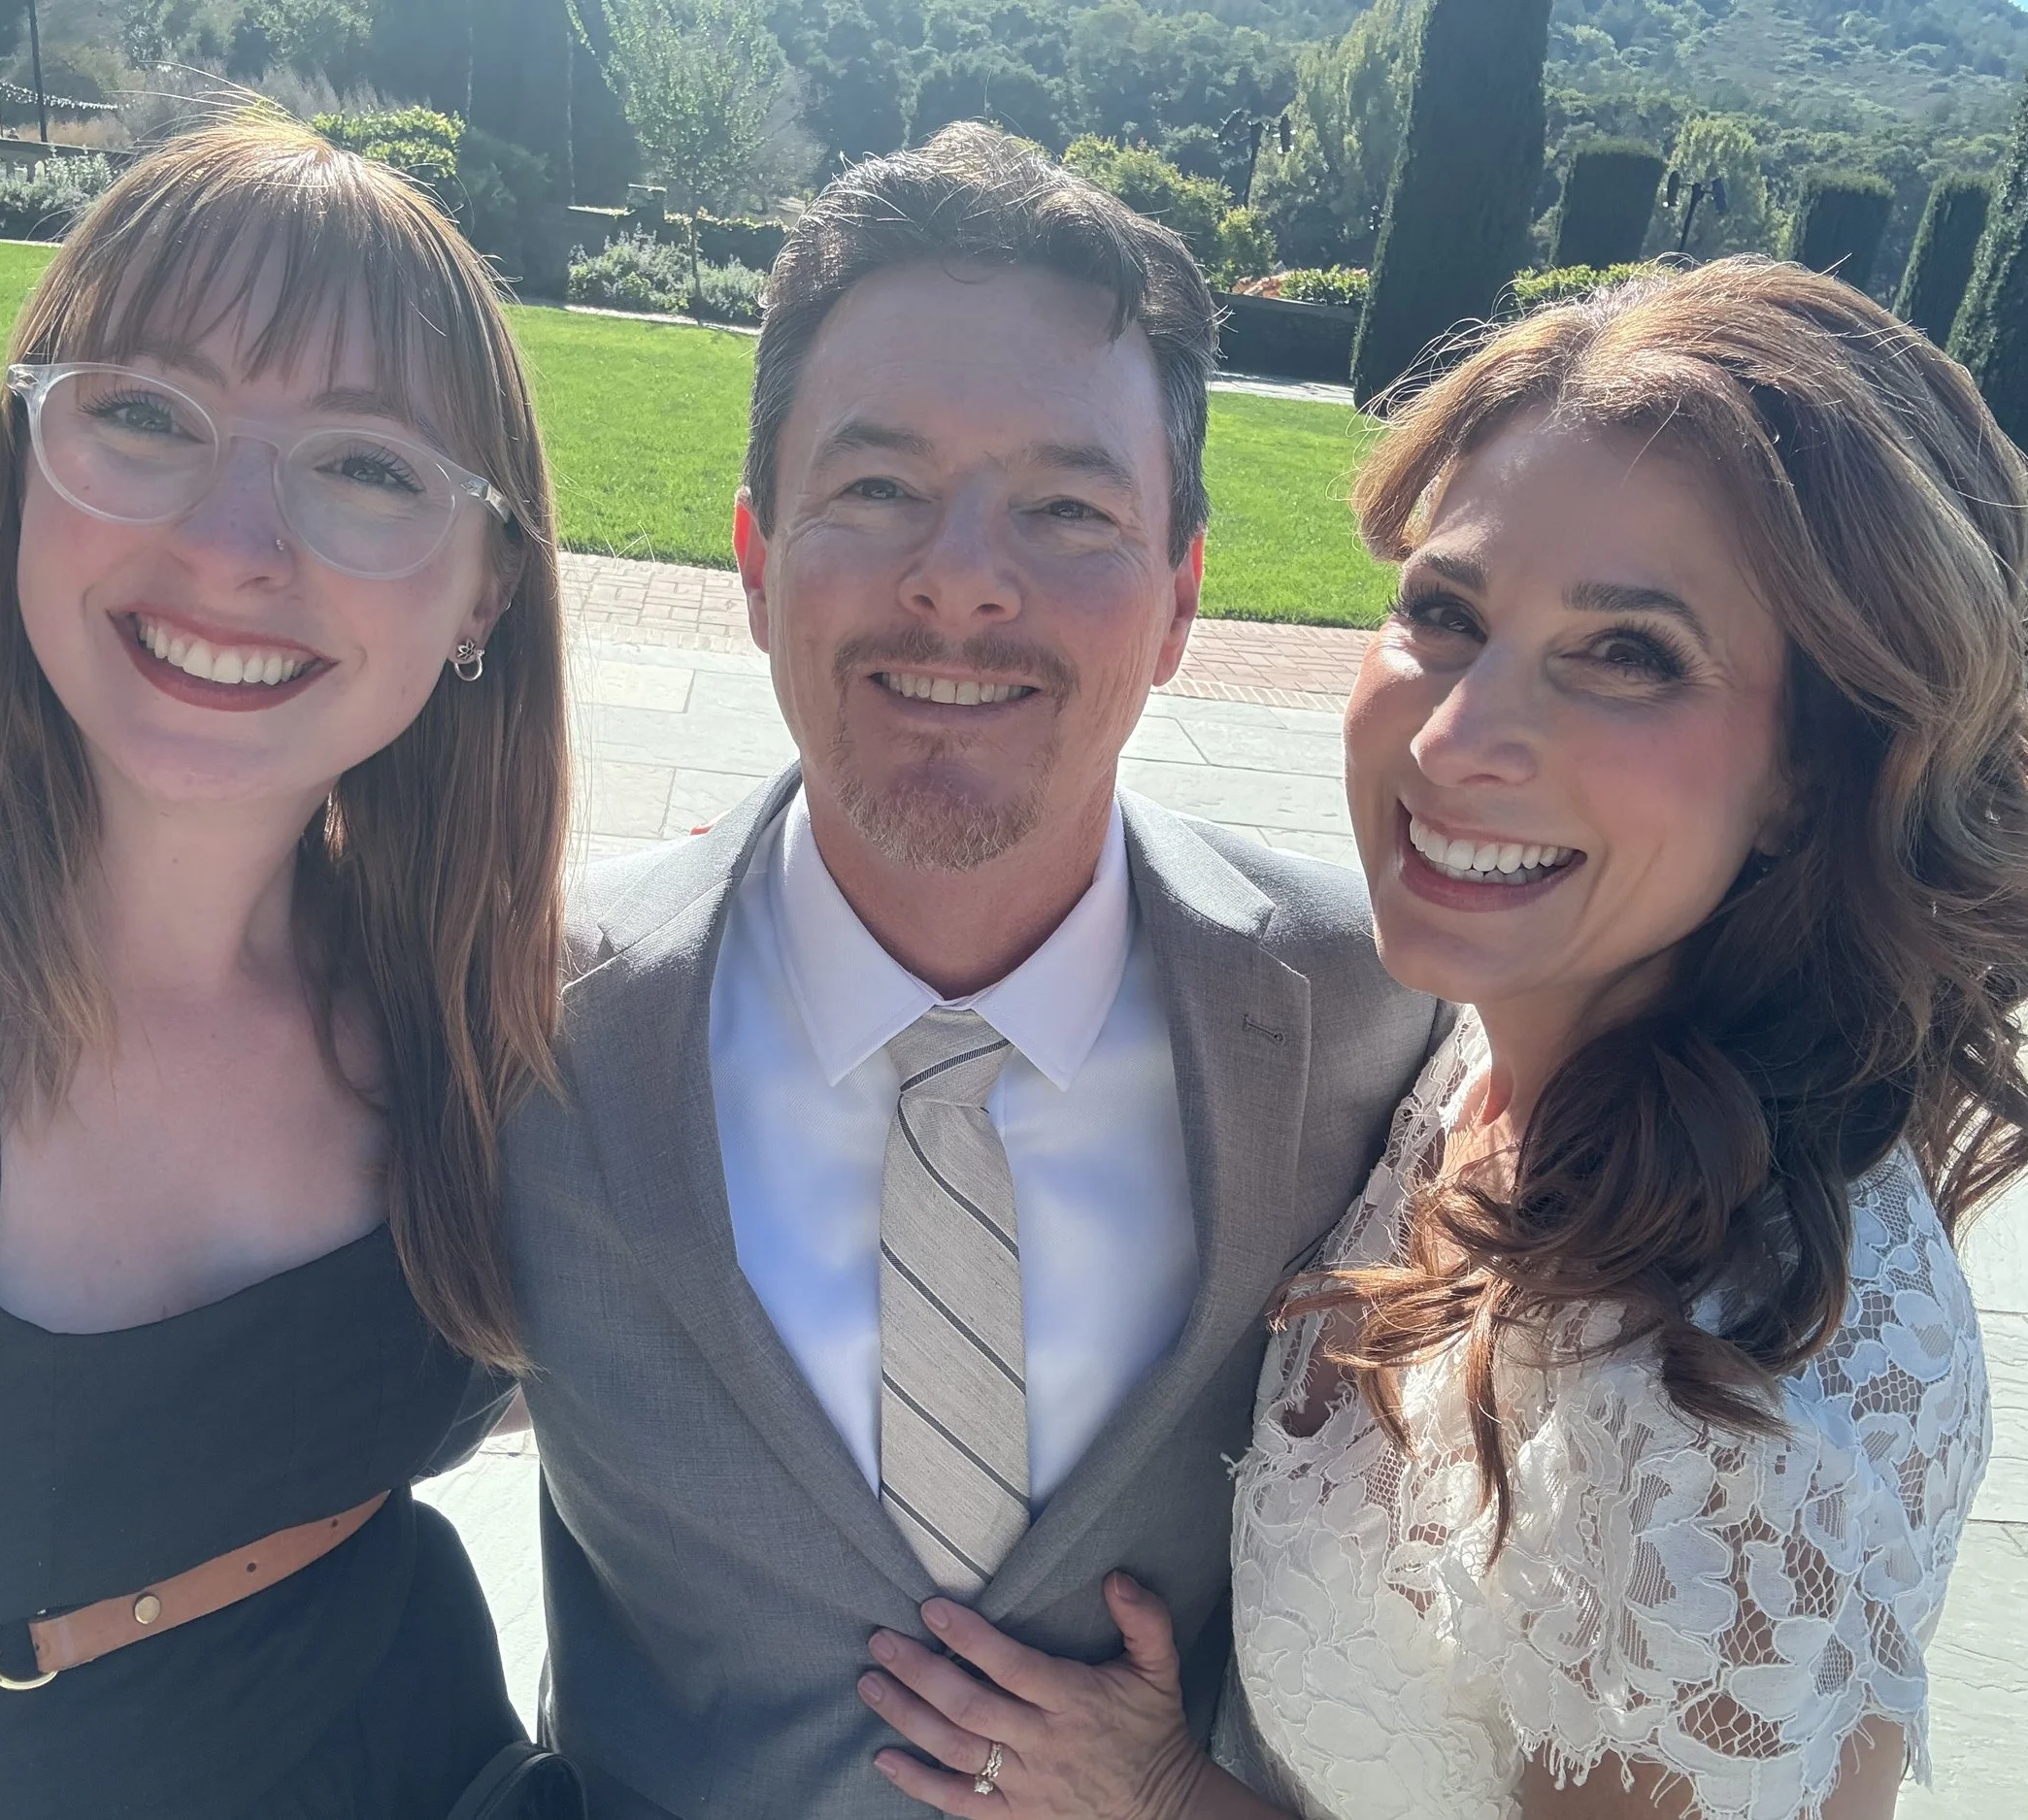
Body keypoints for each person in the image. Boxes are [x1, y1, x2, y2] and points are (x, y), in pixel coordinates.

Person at [854, 258, 2028, 1819]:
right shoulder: (1505, 1044)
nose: (1450, 739)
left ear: (1814, 769)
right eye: (1446, 610)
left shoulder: (1723, 1409)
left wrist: (1159, 1795)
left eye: (1626, 651)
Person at [496, 123, 1447, 1819]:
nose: (961, 579)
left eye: (1068, 505)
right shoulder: (526, 1021)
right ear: (755, 559)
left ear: (1178, 599)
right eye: (875, 488)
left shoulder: (1366, 1020)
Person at [0, 118, 580, 1818]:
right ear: (26, 463)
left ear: (486, 590)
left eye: (367, 467)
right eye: (142, 415)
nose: (233, 545)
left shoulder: (497, 1025)